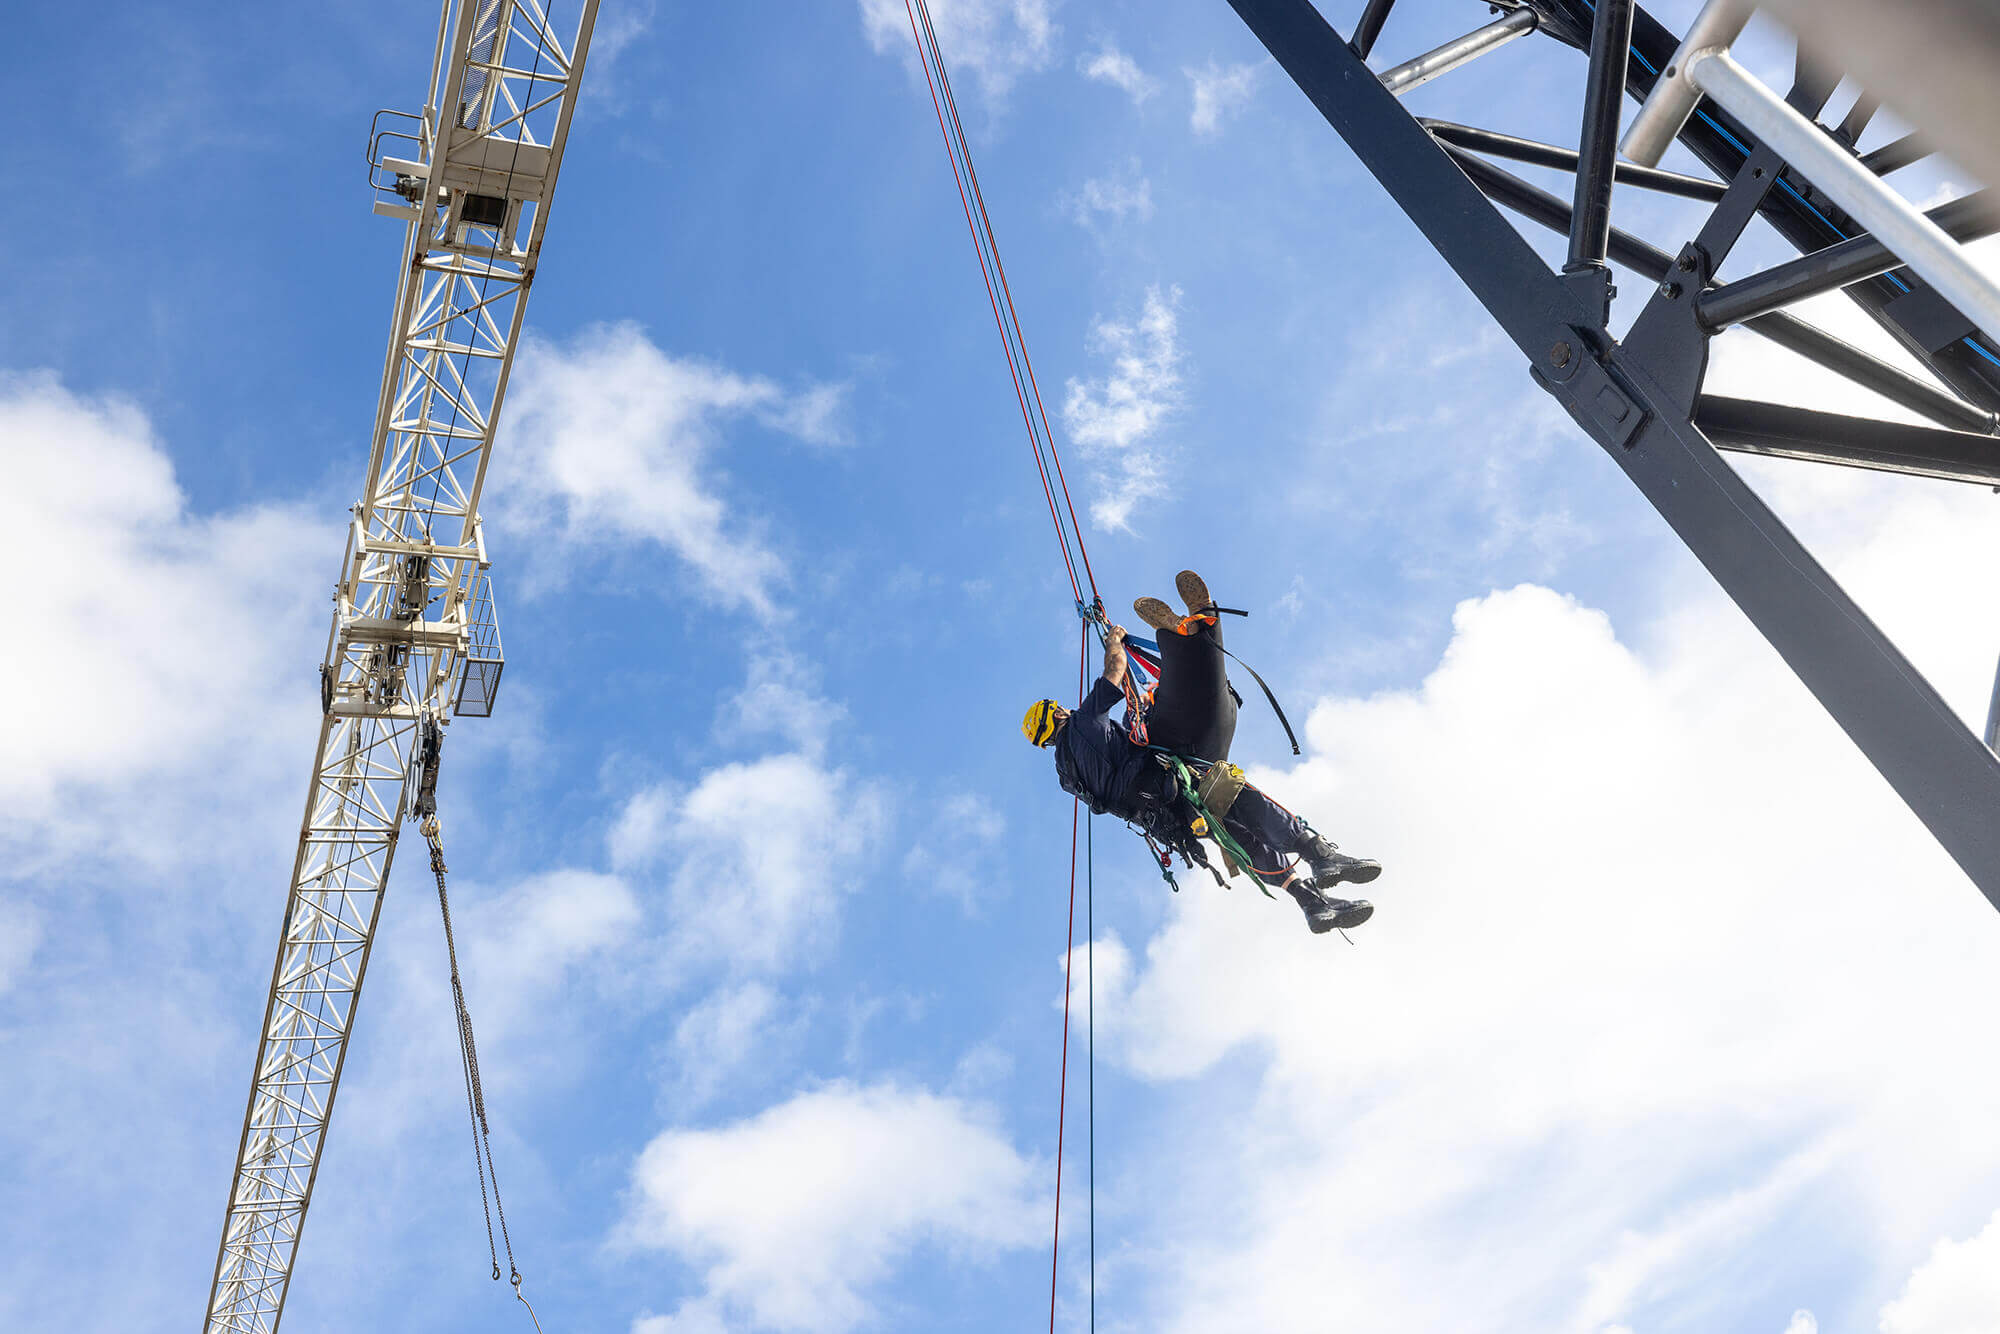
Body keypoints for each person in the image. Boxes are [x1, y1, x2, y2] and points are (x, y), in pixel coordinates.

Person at [1022, 570, 1381, 934]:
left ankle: (1311, 904)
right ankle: (1319, 854)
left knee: (1243, 839)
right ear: (1057, 714)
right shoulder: (1084, 722)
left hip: (1171, 818)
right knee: (1245, 799)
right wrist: (1114, 641)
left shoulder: (1068, 778)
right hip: (1174, 779)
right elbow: (1115, 671)